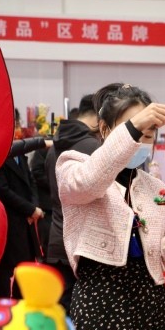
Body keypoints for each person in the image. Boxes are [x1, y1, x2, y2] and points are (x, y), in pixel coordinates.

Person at [56, 83, 165, 330]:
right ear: (105, 130)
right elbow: (89, 182)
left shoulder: (155, 187)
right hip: (101, 304)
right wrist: (135, 127)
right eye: (135, 130)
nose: (141, 140)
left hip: (151, 307)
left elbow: (163, 260)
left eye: (149, 133)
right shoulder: (73, 166)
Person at [45, 94, 100, 312]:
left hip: (57, 238)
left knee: (60, 313)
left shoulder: (54, 146)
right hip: (83, 245)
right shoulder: (94, 148)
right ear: (98, 118)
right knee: (83, 315)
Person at [0, 146, 45, 298]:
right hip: (8, 218)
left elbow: (32, 182)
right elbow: (3, 190)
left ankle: (20, 302)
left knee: (25, 264)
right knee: (6, 267)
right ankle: (2, 303)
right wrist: (29, 209)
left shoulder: (21, 155)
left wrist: (33, 207)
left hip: (26, 218)